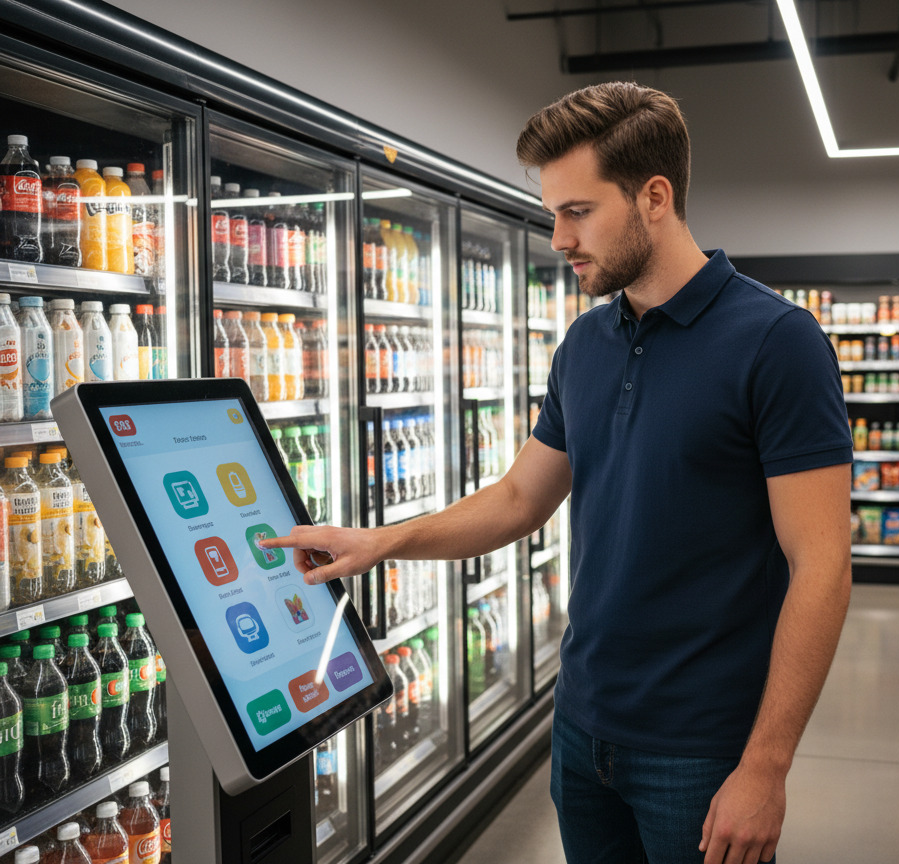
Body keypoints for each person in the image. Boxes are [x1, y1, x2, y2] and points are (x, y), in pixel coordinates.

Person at [262, 81, 852, 864]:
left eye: (578, 212)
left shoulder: (778, 342)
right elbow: (518, 499)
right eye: (552, 214)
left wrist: (766, 767)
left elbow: (823, 565)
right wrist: (379, 541)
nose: (557, 238)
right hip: (582, 732)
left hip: (702, 750)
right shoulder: (584, 346)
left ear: (654, 197)